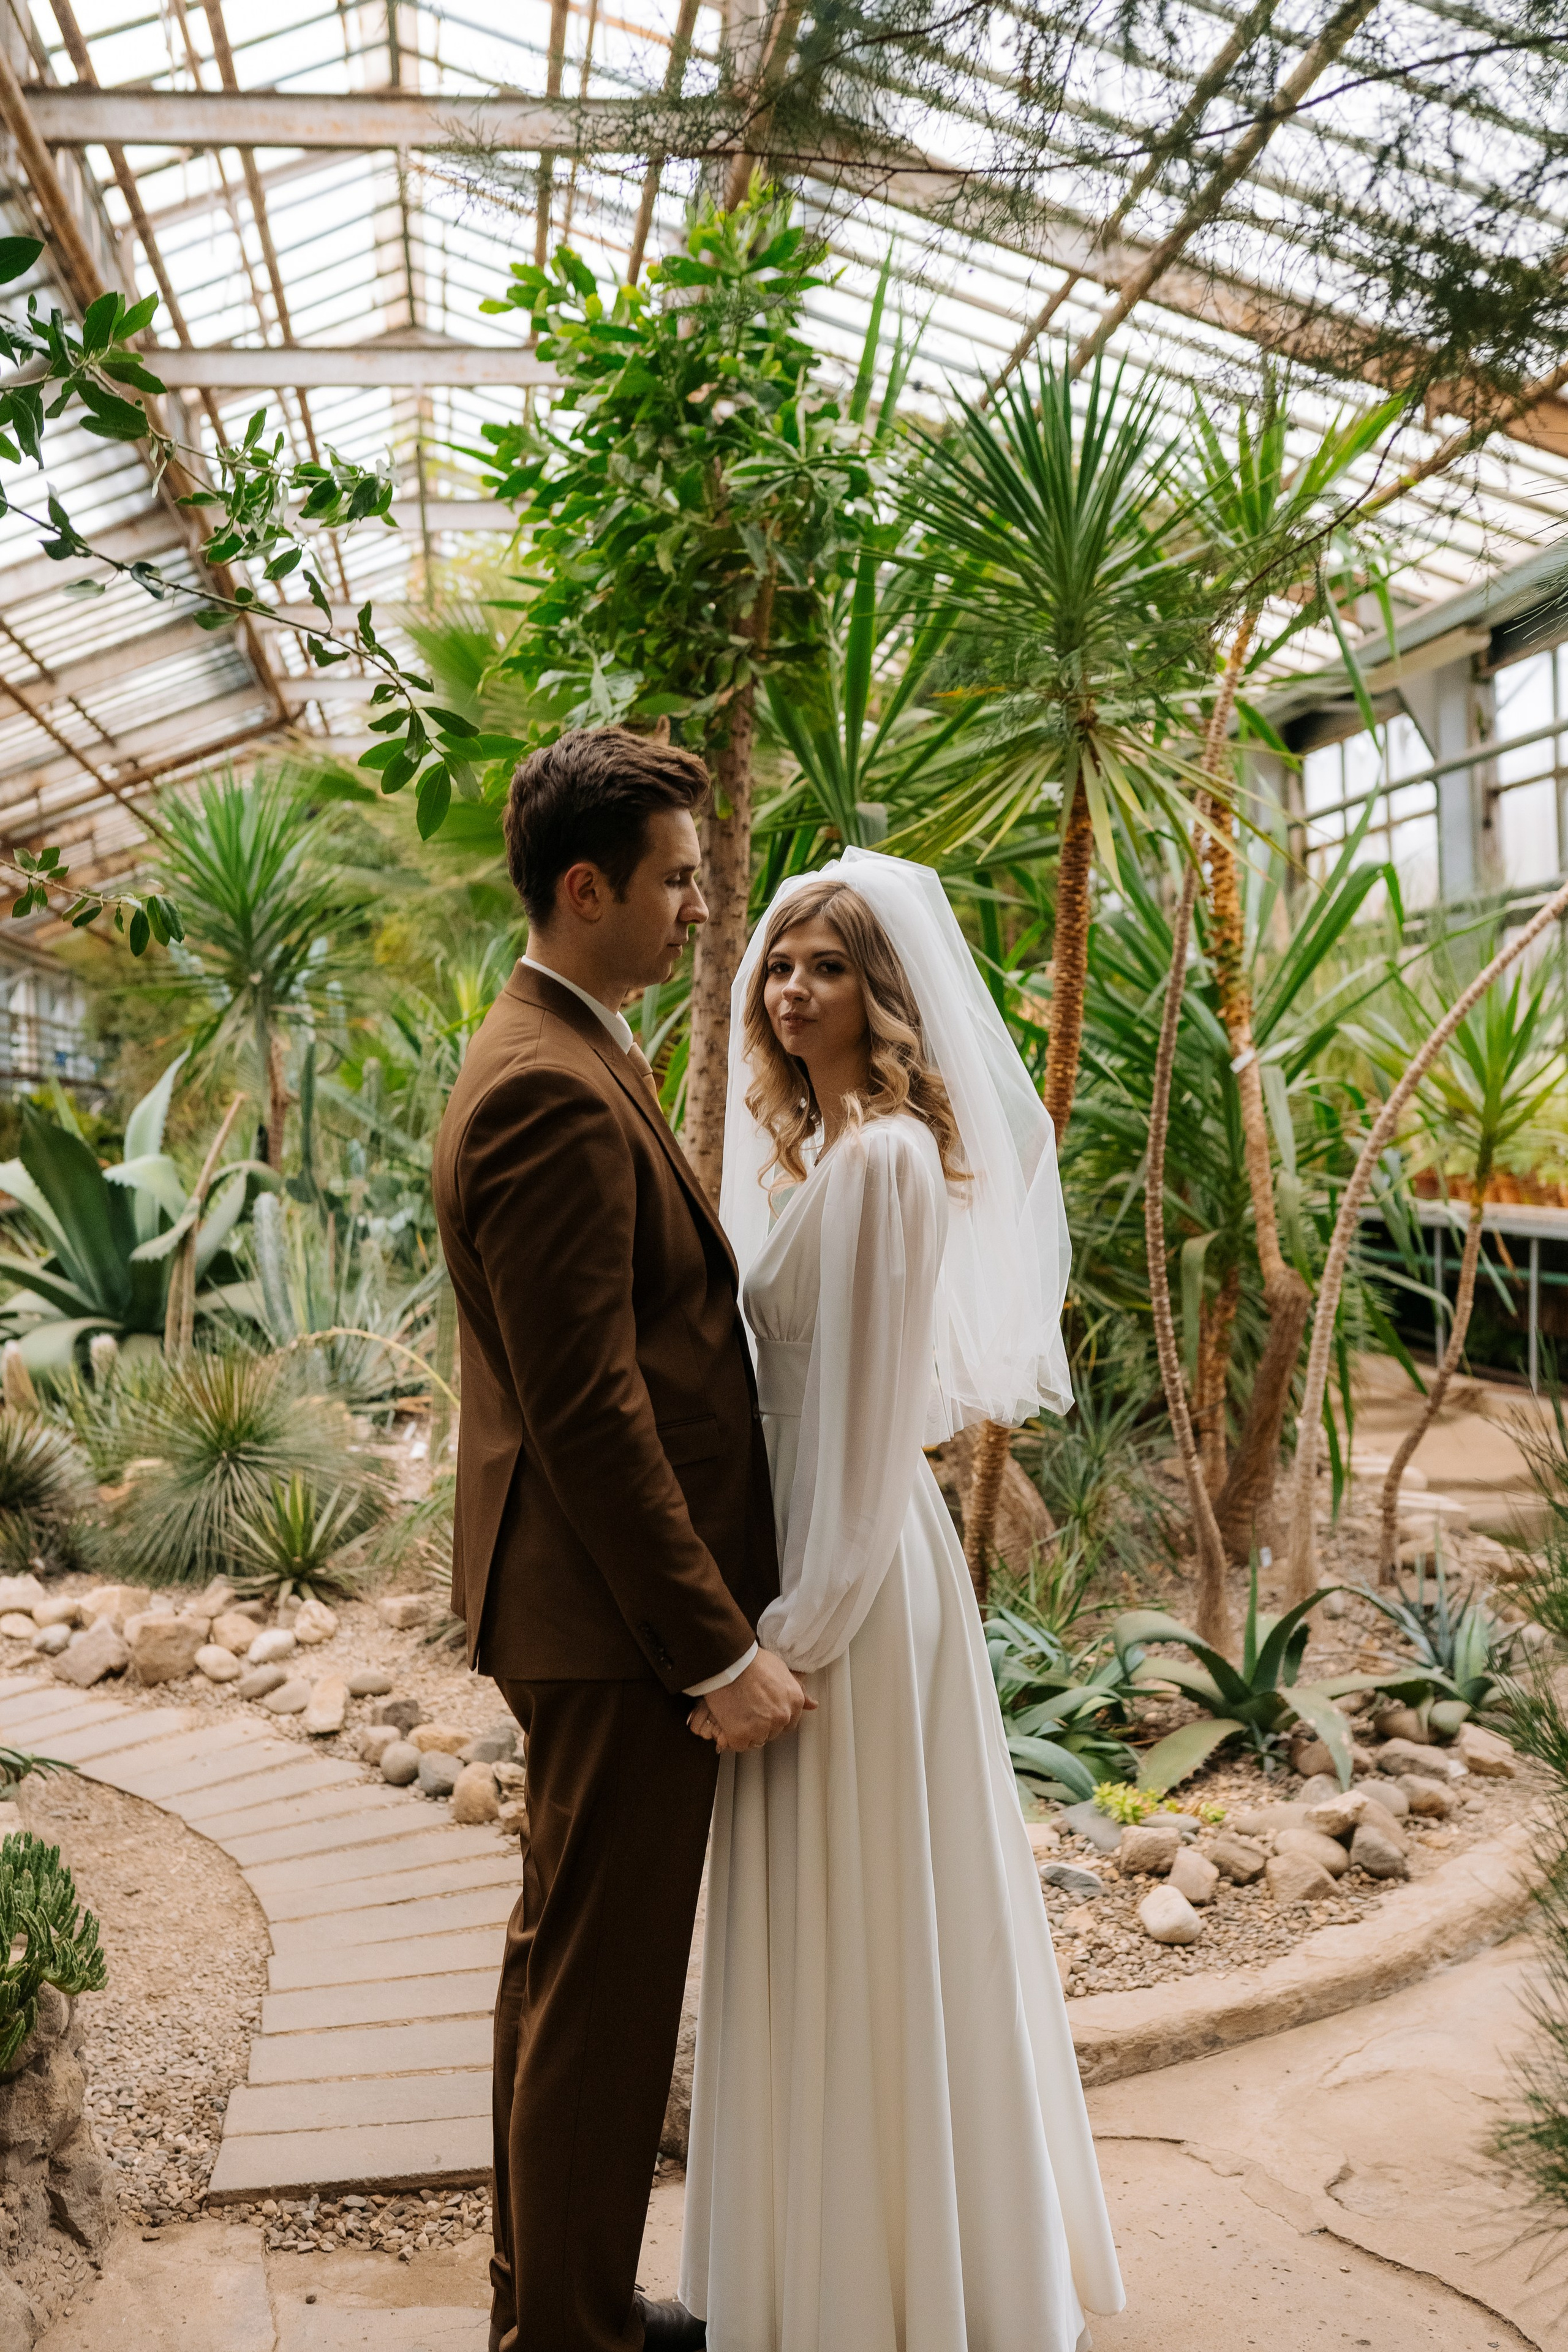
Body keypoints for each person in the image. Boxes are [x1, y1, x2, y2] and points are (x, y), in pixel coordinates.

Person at [680, 849, 1126, 2352]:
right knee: (857, 1933)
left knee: (864, 1927)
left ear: (883, 993)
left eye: (824, 968)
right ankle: (856, 2268)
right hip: (833, 1556)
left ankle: (882, 2292)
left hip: (849, 1582)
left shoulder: (878, 1164)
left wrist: (785, 1635)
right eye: (779, 967)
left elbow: (873, 1434)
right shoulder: (834, 1153)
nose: (791, 989)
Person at [432, 726, 812, 2352]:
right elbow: (587, 1410)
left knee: (563, 1973)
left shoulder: (571, 1046)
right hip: (610, 1626)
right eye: (673, 879)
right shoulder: (543, 1087)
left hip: (585, 1615)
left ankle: (557, 2306)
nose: (695, 906)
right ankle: (568, 2339)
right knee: (600, 1993)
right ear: (584, 889)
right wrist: (711, 1645)